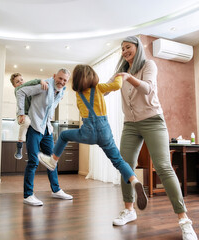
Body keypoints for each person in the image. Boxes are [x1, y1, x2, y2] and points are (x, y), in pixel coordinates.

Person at [108, 36, 197, 240]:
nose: (124, 51)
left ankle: (184, 221)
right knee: (125, 165)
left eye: (128, 47)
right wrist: (89, 87)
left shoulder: (149, 65)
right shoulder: (120, 72)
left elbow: (147, 88)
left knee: (163, 167)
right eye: (122, 49)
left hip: (152, 120)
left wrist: (128, 77)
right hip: (130, 124)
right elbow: (105, 88)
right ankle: (129, 210)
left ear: (137, 47)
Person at [39, 64, 148, 211]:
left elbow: (84, 110)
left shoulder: (78, 95)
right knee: (118, 160)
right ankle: (134, 181)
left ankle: (53, 161)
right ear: (93, 76)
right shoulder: (99, 88)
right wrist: (121, 77)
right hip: (105, 132)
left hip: (88, 132)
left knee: (64, 135)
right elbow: (116, 86)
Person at [16, 68, 73, 206]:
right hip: (34, 127)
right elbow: (20, 92)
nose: (62, 82)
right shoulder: (43, 86)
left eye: (65, 80)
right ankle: (28, 195)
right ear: (54, 76)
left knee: (52, 161)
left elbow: (50, 107)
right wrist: (21, 112)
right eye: (60, 78)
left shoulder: (61, 91)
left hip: (47, 129)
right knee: (33, 161)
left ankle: (56, 190)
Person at [10, 73, 48, 160]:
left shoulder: (29, 90)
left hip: (31, 114)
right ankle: (19, 147)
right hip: (22, 114)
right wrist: (39, 80)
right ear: (14, 86)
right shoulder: (17, 90)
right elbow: (30, 83)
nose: (20, 82)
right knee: (26, 122)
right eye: (17, 82)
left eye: (21, 80)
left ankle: (40, 145)